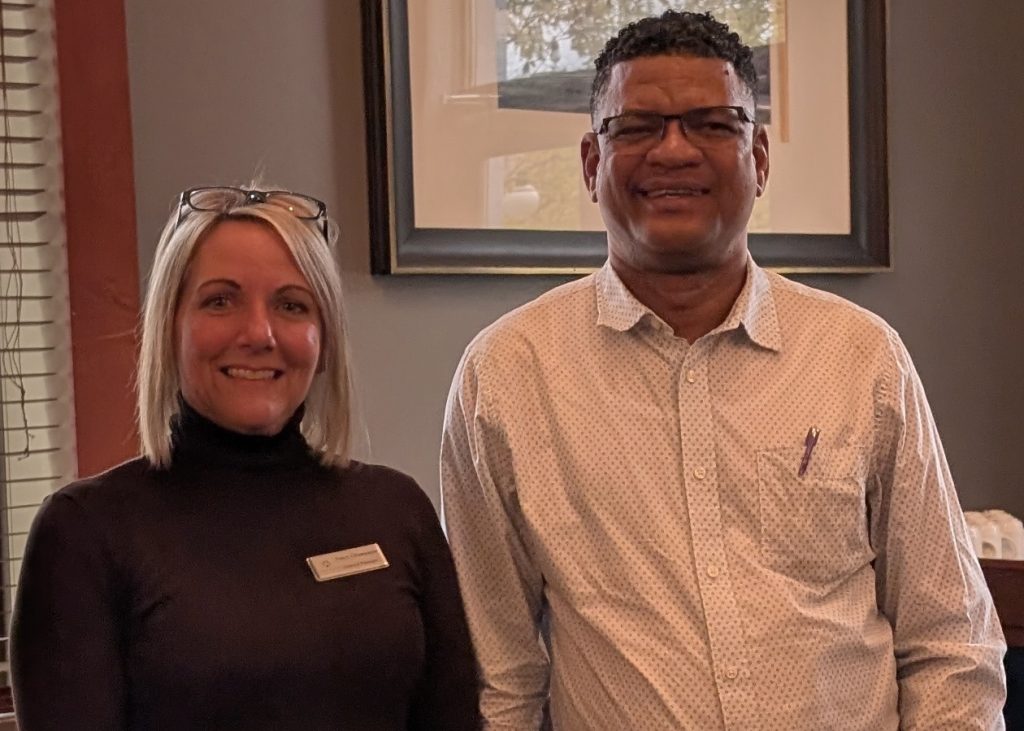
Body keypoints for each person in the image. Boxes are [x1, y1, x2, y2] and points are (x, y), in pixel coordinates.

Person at [441, 10, 1006, 730]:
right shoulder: (509, 376)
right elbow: (499, 676)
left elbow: (950, 641)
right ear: (591, 163)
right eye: (638, 126)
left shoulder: (860, 357)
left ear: (759, 157)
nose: (673, 150)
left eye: (712, 124)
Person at [12, 185, 480, 730]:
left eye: (290, 304)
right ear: (170, 328)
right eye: (220, 300)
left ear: (323, 339)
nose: (258, 333)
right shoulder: (86, 533)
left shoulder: (398, 512)